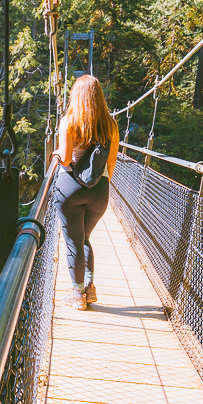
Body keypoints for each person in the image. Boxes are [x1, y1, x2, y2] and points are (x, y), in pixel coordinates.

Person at [52, 74, 120, 307]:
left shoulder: (68, 121)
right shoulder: (111, 125)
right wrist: (99, 184)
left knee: (73, 242)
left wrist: (57, 155)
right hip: (99, 191)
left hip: (70, 188)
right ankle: (89, 289)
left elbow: (66, 158)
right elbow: (111, 163)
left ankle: (77, 294)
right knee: (85, 239)